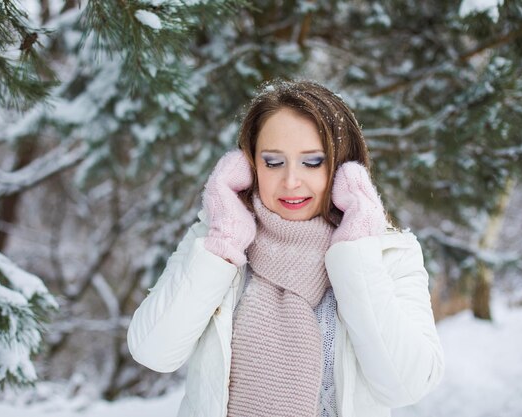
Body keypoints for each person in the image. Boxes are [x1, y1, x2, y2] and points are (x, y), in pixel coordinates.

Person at [127, 79, 444, 417]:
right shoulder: (216, 242)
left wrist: (356, 252)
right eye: (274, 162)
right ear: (250, 166)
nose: (291, 181)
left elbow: (407, 385)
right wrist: (224, 244)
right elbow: (154, 352)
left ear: (342, 166)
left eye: (313, 162)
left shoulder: (389, 253)